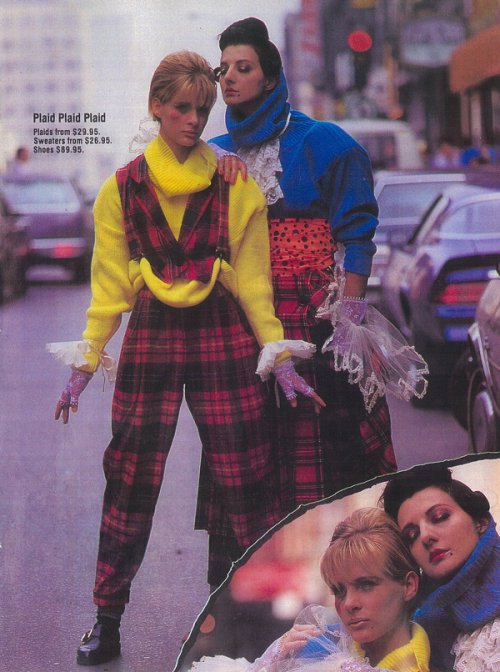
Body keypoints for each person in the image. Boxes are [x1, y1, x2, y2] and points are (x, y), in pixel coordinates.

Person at [47, 50, 323, 666]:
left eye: (203, 108)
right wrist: (85, 365)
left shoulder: (235, 183)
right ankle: (106, 619)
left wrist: (278, 355)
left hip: (223, 332)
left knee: (246, 475)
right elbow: (109, 290)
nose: (194, 120)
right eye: (181, 108)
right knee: (129, 475)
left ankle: (256, 617)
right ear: (156, 107)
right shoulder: (120, 188)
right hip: (151, 334)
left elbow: (254, 281)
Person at [203, 17, 428, 570]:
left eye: (242, 67)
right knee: (245, 453)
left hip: (314, 319)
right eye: (222, 68)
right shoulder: (211, 154)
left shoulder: (324, 142)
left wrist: (349, 316)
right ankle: (248, 583)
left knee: (325, 452)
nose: (228, 78)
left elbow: (357, 235)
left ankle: (341, 571)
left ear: (270, 75)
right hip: (240, 323)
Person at [190, 508, 430, 672]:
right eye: (339, 590)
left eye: (366, 585)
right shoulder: (318, 645)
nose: (349, 603)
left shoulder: (431, 661)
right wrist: (269, 664)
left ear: (408, 586)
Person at [381, 463, 500, 672]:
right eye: (411, 535)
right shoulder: (418, 629)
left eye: (440, 517)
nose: (425, 536)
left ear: (480, 522)